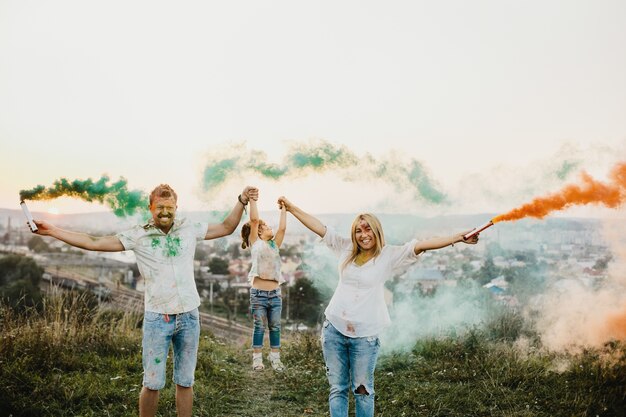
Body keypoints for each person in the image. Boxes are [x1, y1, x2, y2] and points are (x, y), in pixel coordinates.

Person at [31, 184, 258, 417]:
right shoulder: (138, 235)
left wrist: (241, 200)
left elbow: (227, 227)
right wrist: (52, 231)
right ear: (150, 208)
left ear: (176, 207)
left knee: (185, 380)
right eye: (159, 207)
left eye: (169, 207)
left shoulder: (189, 228)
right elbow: (94, 242)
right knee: (152, 382)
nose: (165, 212)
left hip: (190, 316)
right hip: (158, 318)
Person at [277, 196, 479, 417]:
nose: (363, 235)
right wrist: (292, 208)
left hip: (365, 336)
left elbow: (423, 245)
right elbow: (319, 227)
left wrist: (458, 238)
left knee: (363, 391)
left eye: (368, 229)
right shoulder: (345, 248)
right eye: (358, 231)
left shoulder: (388, 255)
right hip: (334, 329)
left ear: (376, 231)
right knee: (337, 389)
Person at [240, 195, 287, 371]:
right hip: (258, 294)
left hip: (275, 295)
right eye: (266, 226)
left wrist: (284, 209)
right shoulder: (256, 243)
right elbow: (253, 219)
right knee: (259, 326)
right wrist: (253, 200)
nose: (270, 228)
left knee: (275, 326)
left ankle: (275, 358)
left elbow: (282, 228)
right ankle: (257, 358)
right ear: (259, 231)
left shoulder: (275, 245)